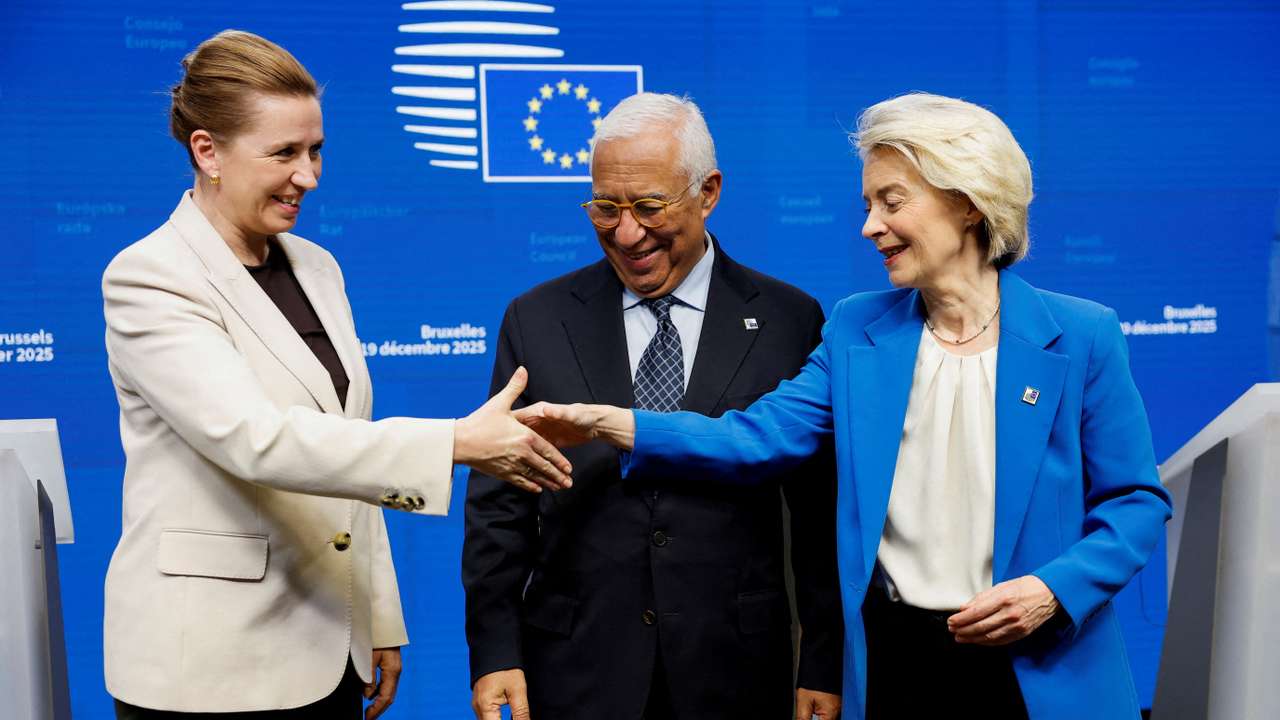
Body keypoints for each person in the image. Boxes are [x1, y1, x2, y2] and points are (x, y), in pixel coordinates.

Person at [515, 92, 1174, 720]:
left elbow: (1135, 504)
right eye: (868, 203)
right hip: (897, 665)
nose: (870, 227)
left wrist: (1053, 591)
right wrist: (614, 423)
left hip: (1038, 663)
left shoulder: (1082, 335)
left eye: (892, 202)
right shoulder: (857, 331)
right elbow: (754, 437)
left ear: (968, 203)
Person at [102, 30, 571, 719]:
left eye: (315, 150)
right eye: (284, 153)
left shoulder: (317, 268)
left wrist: (376, 617)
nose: (309, 176)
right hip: (205, 672)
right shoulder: (150, 277)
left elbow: (346, 446)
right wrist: (453, 444)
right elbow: (255, 439)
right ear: (207, 152)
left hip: (328, 654)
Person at [462, 93, 844, 720]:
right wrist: (496, 651)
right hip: (577, 668)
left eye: (648, 206)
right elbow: (497, 507)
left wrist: (823, 663)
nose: (627, 232)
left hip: (739, 671)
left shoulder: (788, 319)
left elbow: (818, 516)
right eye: (606, 208)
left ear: (709, 192)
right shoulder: (537, 319)